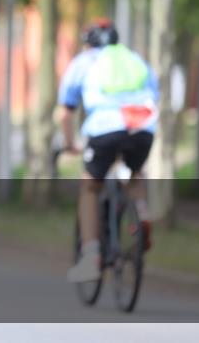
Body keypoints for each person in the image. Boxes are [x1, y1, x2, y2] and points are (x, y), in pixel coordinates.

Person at [58, 19, 159, 282]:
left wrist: (70, 145)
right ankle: (141, 213)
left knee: (90, 187)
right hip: (142, 125)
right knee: (134, 172)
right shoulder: (135, 59)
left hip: (104, 127)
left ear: (88, 43)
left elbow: (65, 112)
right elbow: (154, 95)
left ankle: (91, 257)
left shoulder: (84, 62)